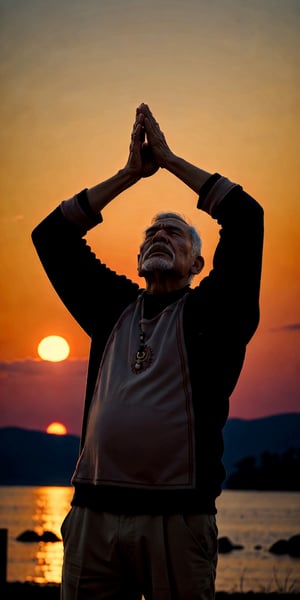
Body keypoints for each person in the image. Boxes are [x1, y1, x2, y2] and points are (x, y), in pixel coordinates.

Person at [32, 103, 264, 600]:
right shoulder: (110, 308)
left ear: (198, 262)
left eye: (173, 233)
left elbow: (246, 218)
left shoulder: (215, 318)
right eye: (150, 234)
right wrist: (129, 174)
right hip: (92, 517)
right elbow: (51, 236)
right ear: (138, 259)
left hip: (177, 522)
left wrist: (170, 160)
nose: (159, 235)